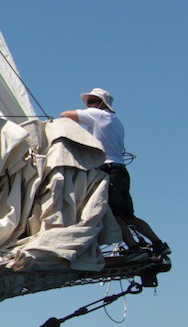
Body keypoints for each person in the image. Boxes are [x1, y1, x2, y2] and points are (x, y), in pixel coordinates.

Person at [61, 87, 168, 255]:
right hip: (120, 171)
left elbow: (65, 115)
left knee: (112, 213)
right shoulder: (115, 121)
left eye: (91, 102)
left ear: (101, 104)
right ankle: (158, 243)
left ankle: (133, 247)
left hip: (108, 171)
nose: (88, 105)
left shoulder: (98, 115)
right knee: (128, 215)